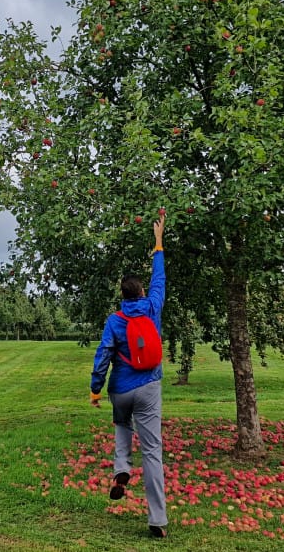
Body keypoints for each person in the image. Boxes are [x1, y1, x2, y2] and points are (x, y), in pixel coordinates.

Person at [90, 213, 167, 538]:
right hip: (149, 385)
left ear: (122, 295)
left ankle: (122, 468)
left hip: (121, 388)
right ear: (142, 292)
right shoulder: (152, 307)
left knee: (122, 424)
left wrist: (96, 389)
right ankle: (157, 521)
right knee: (152, 451)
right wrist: (158, 244)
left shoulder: (114, 320)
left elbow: (103, 356)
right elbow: (161, 279)